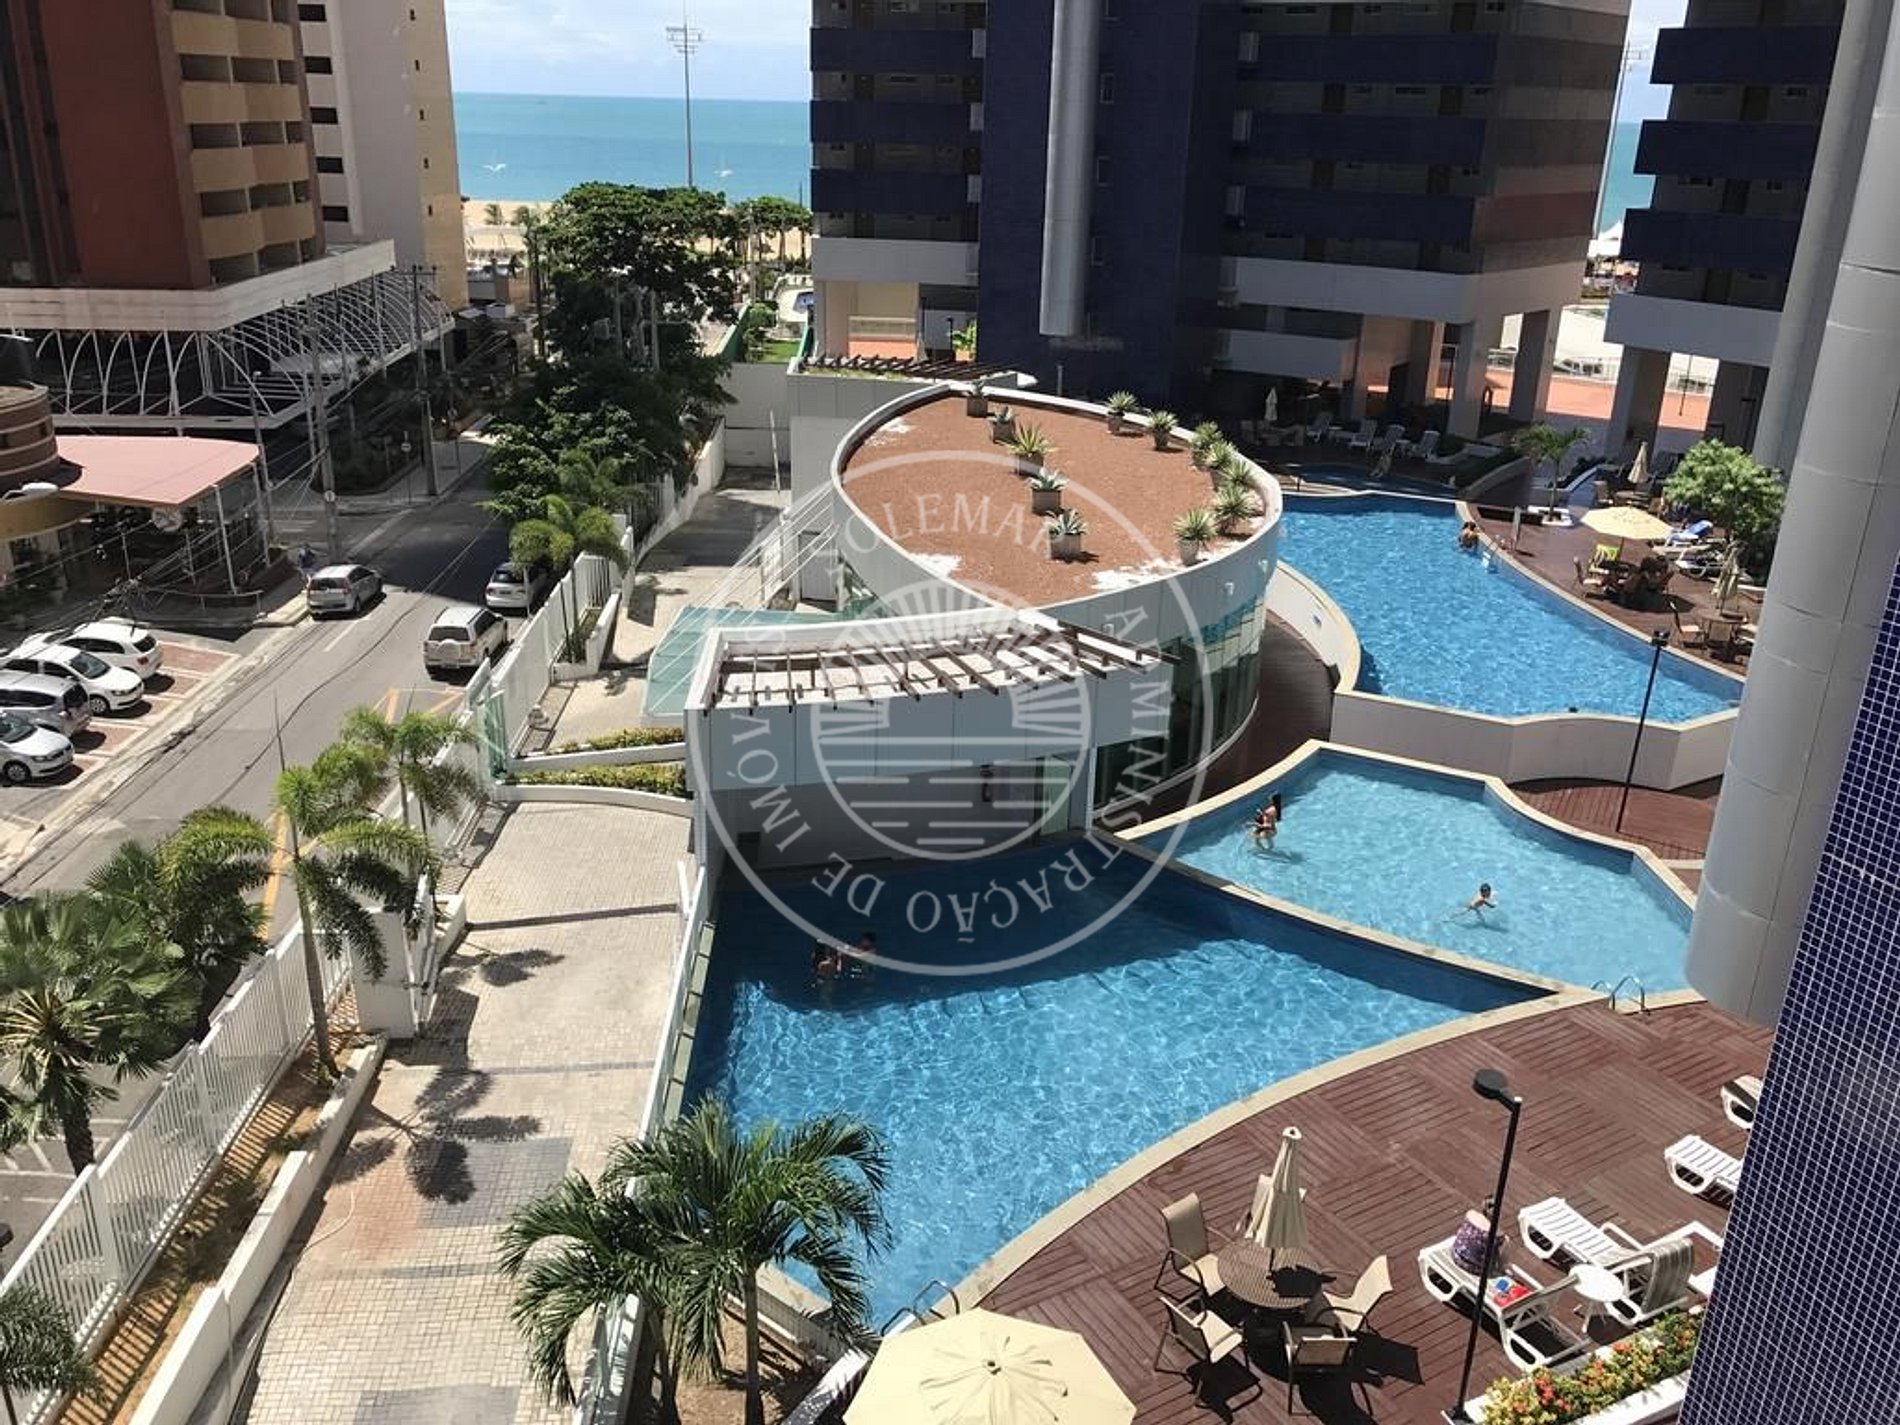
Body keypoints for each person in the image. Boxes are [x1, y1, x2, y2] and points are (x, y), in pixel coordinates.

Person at [1451, 1196, 1506, 1274]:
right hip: (1475, 1267)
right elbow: (1498, 1258)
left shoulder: (1470, 1214)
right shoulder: (1498, 1233)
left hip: (1456, 1255)